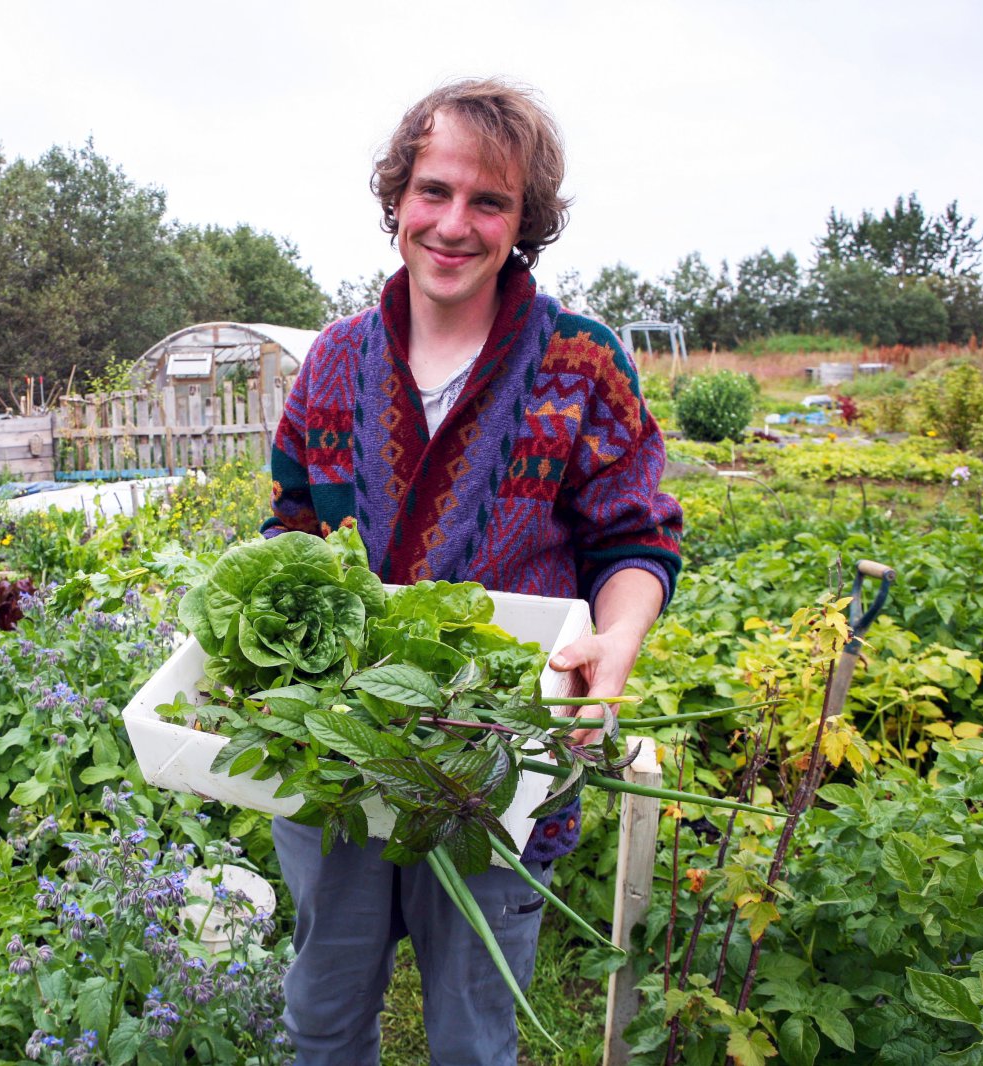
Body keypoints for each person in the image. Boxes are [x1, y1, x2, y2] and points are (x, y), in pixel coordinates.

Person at [261, 77, 683, 1065]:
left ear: (522, 221)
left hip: (497, 764)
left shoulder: (580, 365)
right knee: (320, 1023)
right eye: (433, 191)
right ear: (396, 200)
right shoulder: (330, 365)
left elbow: (635, 539)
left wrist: (615, 638)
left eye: (488, 201)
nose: (454, 223)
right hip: (341, 759)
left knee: (470, 1036)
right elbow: (288, 530)